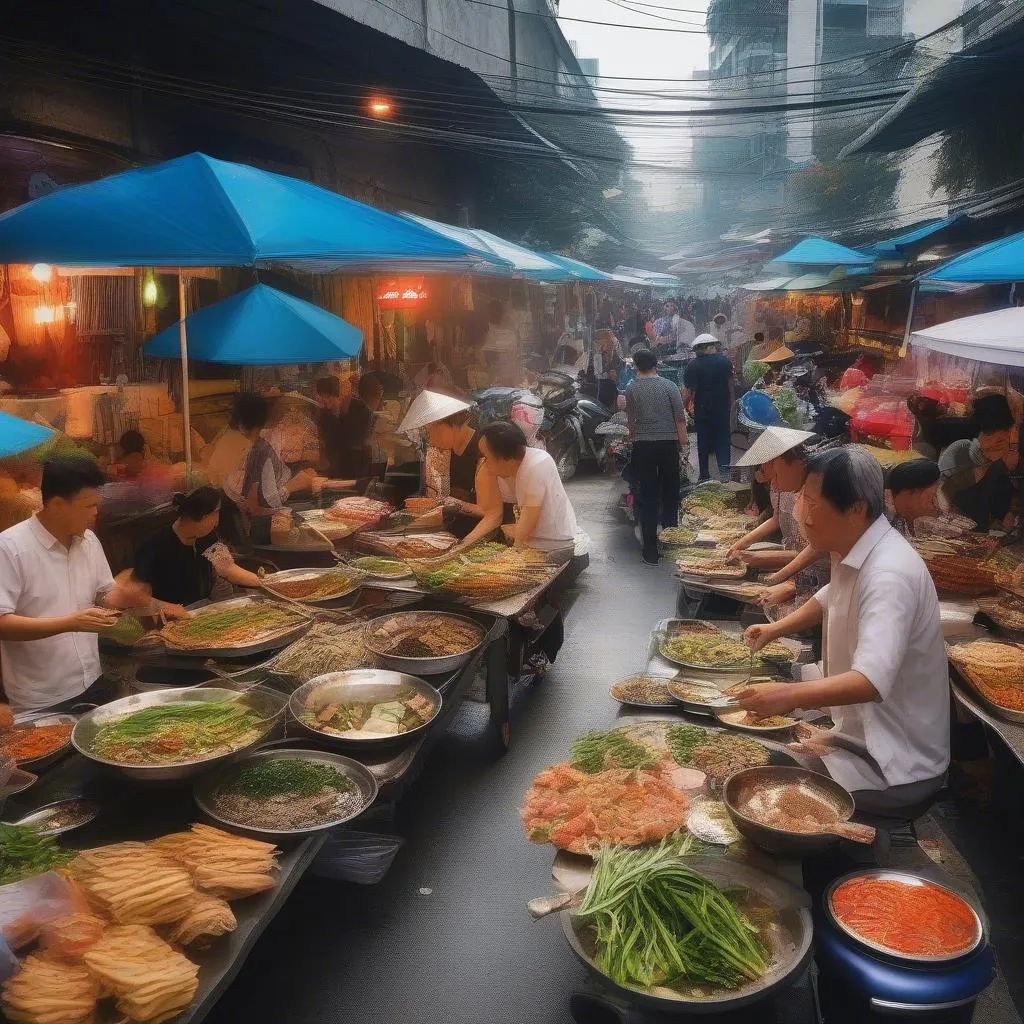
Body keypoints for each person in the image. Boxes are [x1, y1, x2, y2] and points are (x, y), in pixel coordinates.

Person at [738, 447, 950, 816]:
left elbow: (870, 680)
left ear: (856, 508)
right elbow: (830, 595)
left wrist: (789, 696)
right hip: (858, 738)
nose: (802, 515)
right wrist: (777, 629)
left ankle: (854, 849)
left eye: (813, 504)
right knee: (758, 759)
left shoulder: (889, 573)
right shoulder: (855, 547)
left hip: (894, 763)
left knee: (763, 787)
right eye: (803, 500)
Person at [0, 458, 150, 711]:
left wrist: (121, 596)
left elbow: (104, 594)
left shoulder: (88, 541)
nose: (96, 513)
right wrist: (71, 623)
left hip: (92, 680)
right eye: (89, 506)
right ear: (58, 504)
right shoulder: (10, 548)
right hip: (42, 697)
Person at [728, 428, 828, 608]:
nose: (772, 482)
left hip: (820, 585)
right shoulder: (795, 487)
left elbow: (819, 548)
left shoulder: (817, 487)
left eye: (773, 470)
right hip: (810, 581)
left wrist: (782, 580)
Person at [131, 487, 262, 616]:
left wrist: (265, 582)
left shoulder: (206, 536)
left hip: (203, 611)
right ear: (204, 517)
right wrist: (166, 607)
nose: (217, 522)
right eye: (216, 514)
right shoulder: (155, 545)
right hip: (172, 619)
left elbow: (228, 569)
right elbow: (133, 593)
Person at [460, 422, 577, 551]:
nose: (486, 464)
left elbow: (530, 517)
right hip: (539, 542)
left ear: (504, 456)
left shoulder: (535, 465)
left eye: (487, 457)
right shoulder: (523, 463)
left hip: (553, 545)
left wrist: (515, 552)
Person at [625, 348, 688, 565]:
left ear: (636, 366)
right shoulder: (669, 386)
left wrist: (632, 438)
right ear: (656, 364)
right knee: (670, 494)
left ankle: (650, 551)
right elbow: (680, 419)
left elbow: (631, 421)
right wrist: (684, 446)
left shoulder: (631, 389)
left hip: (643, 447)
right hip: (668, 446)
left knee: (648, 497)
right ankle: (671, 544)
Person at [235, 393, 318, 544]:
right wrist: (293, 486)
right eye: (285, 412)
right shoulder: (260, 451)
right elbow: (257, 504)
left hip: (248, 525)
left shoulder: (257, 447)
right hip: (254, 531)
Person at [939, 393, 1018, 530]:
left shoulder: (995, 466)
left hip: (981, 533)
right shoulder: (960, 452)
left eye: (1006, 440)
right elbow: (942, 496)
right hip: (955, 530)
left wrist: (1009, 512)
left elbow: (1005, 502)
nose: (1004, 446)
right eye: (1000, 440)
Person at [683, 334, 734, 483]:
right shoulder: (725, 362)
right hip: (722, 408)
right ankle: (725, 473)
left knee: (703, 441)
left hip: (703, 409)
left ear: (701, 348)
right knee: (723, 439)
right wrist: (732, 404)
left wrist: (685, 408)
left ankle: (704, 475)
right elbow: (730, 386)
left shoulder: (693, 365)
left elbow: (688, 392)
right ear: (712, 346)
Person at [886, 458, 974, 540]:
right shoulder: (886, 523)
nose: (936, 507)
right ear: (910, 494)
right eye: (932, 497)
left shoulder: (904, 512)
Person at [340, 375, 385, 480]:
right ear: (376, 395)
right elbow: (365, 441)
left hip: (347, 460)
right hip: (357, 464)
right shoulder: (364, 412)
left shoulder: (355, 407)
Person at [315, 376, 347, 478]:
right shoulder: (325, 414)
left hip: (339, 458)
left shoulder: (342, 412)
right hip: (331, 457)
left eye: (324, 396)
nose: (321, 399)